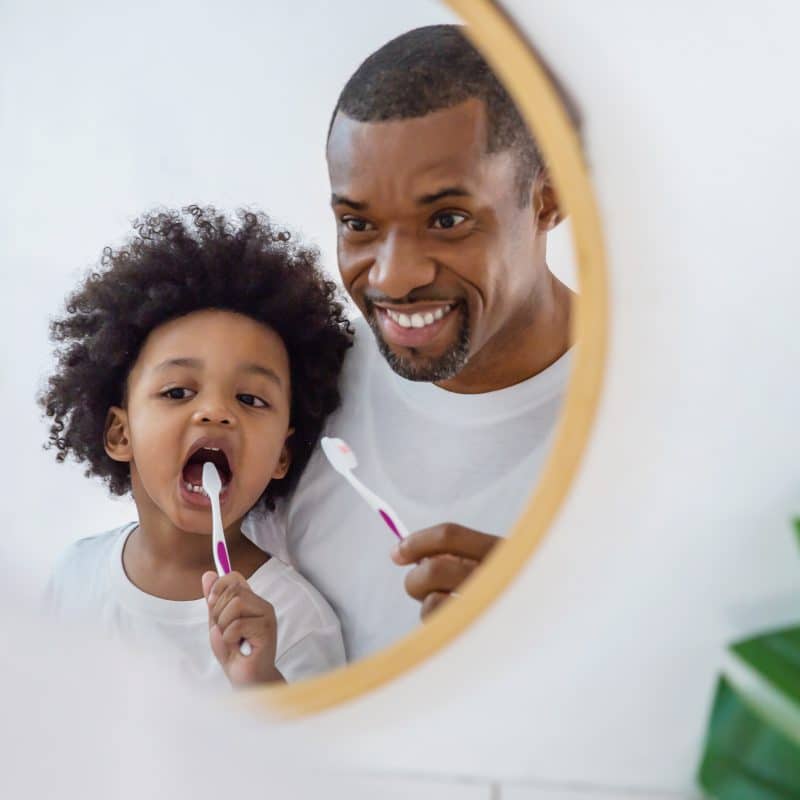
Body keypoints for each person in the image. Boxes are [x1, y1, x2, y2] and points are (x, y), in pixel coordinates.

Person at [246, 25, 582, 661]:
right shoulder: (294, 392)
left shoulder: (650, 411)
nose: (394, 277)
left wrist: (563, 631)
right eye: (358, 224)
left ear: (547, 200)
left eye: (447, 220)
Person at [42, 206, 353, 688]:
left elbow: (320, 740)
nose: (215, 411)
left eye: (250, 399)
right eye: (177, 392)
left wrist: (260, 681)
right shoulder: (73, 576)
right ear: (121, 434)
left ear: (282, 456)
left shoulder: (295, 621)